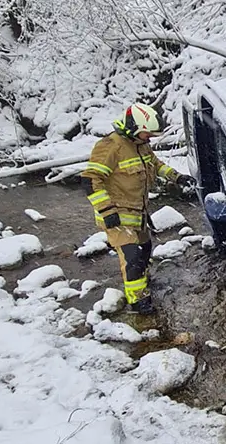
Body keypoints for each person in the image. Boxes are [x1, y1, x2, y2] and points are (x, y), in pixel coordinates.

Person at [80, 103, 195, 314]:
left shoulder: (140, 144)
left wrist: (177, 177)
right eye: (146, 133)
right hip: (116, 214)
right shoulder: (110, 146)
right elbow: (91, 180)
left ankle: (142, 280)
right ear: (134, 127)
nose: (149, 137)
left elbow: (156, 164)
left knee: (144, 251)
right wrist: (107, 211)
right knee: (132, 256)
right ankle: (138, 302)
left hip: (137, 213)